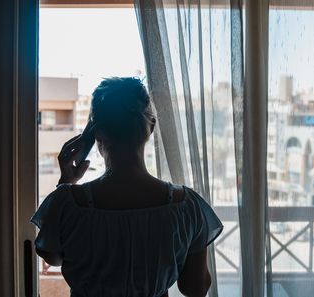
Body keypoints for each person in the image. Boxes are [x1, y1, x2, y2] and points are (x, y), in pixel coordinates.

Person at [31, 77, 223, 297]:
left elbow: (52, 256)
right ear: (150, 127)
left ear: (96, 133)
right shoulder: (187, 207)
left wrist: (66, 182)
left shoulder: (67, 204)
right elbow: (195, 288)